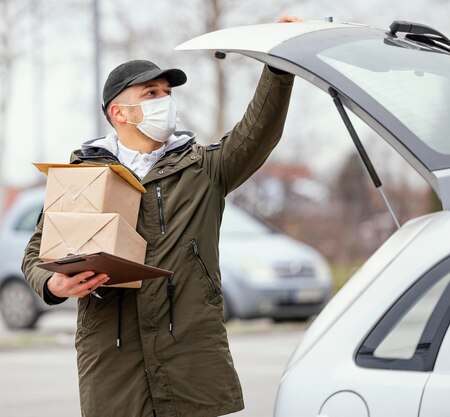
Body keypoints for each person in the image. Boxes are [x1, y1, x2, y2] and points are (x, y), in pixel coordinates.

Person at [22, 15, 300, 417]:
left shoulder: (204, 169)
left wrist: (278, 65)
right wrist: (54, 283)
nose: (164, 101)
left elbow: (259, 132)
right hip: (114, 365)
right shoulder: (83, 176)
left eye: (167, 93)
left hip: (190, 358)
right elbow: (35, 255)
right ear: (120, 112)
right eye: (151, 93)